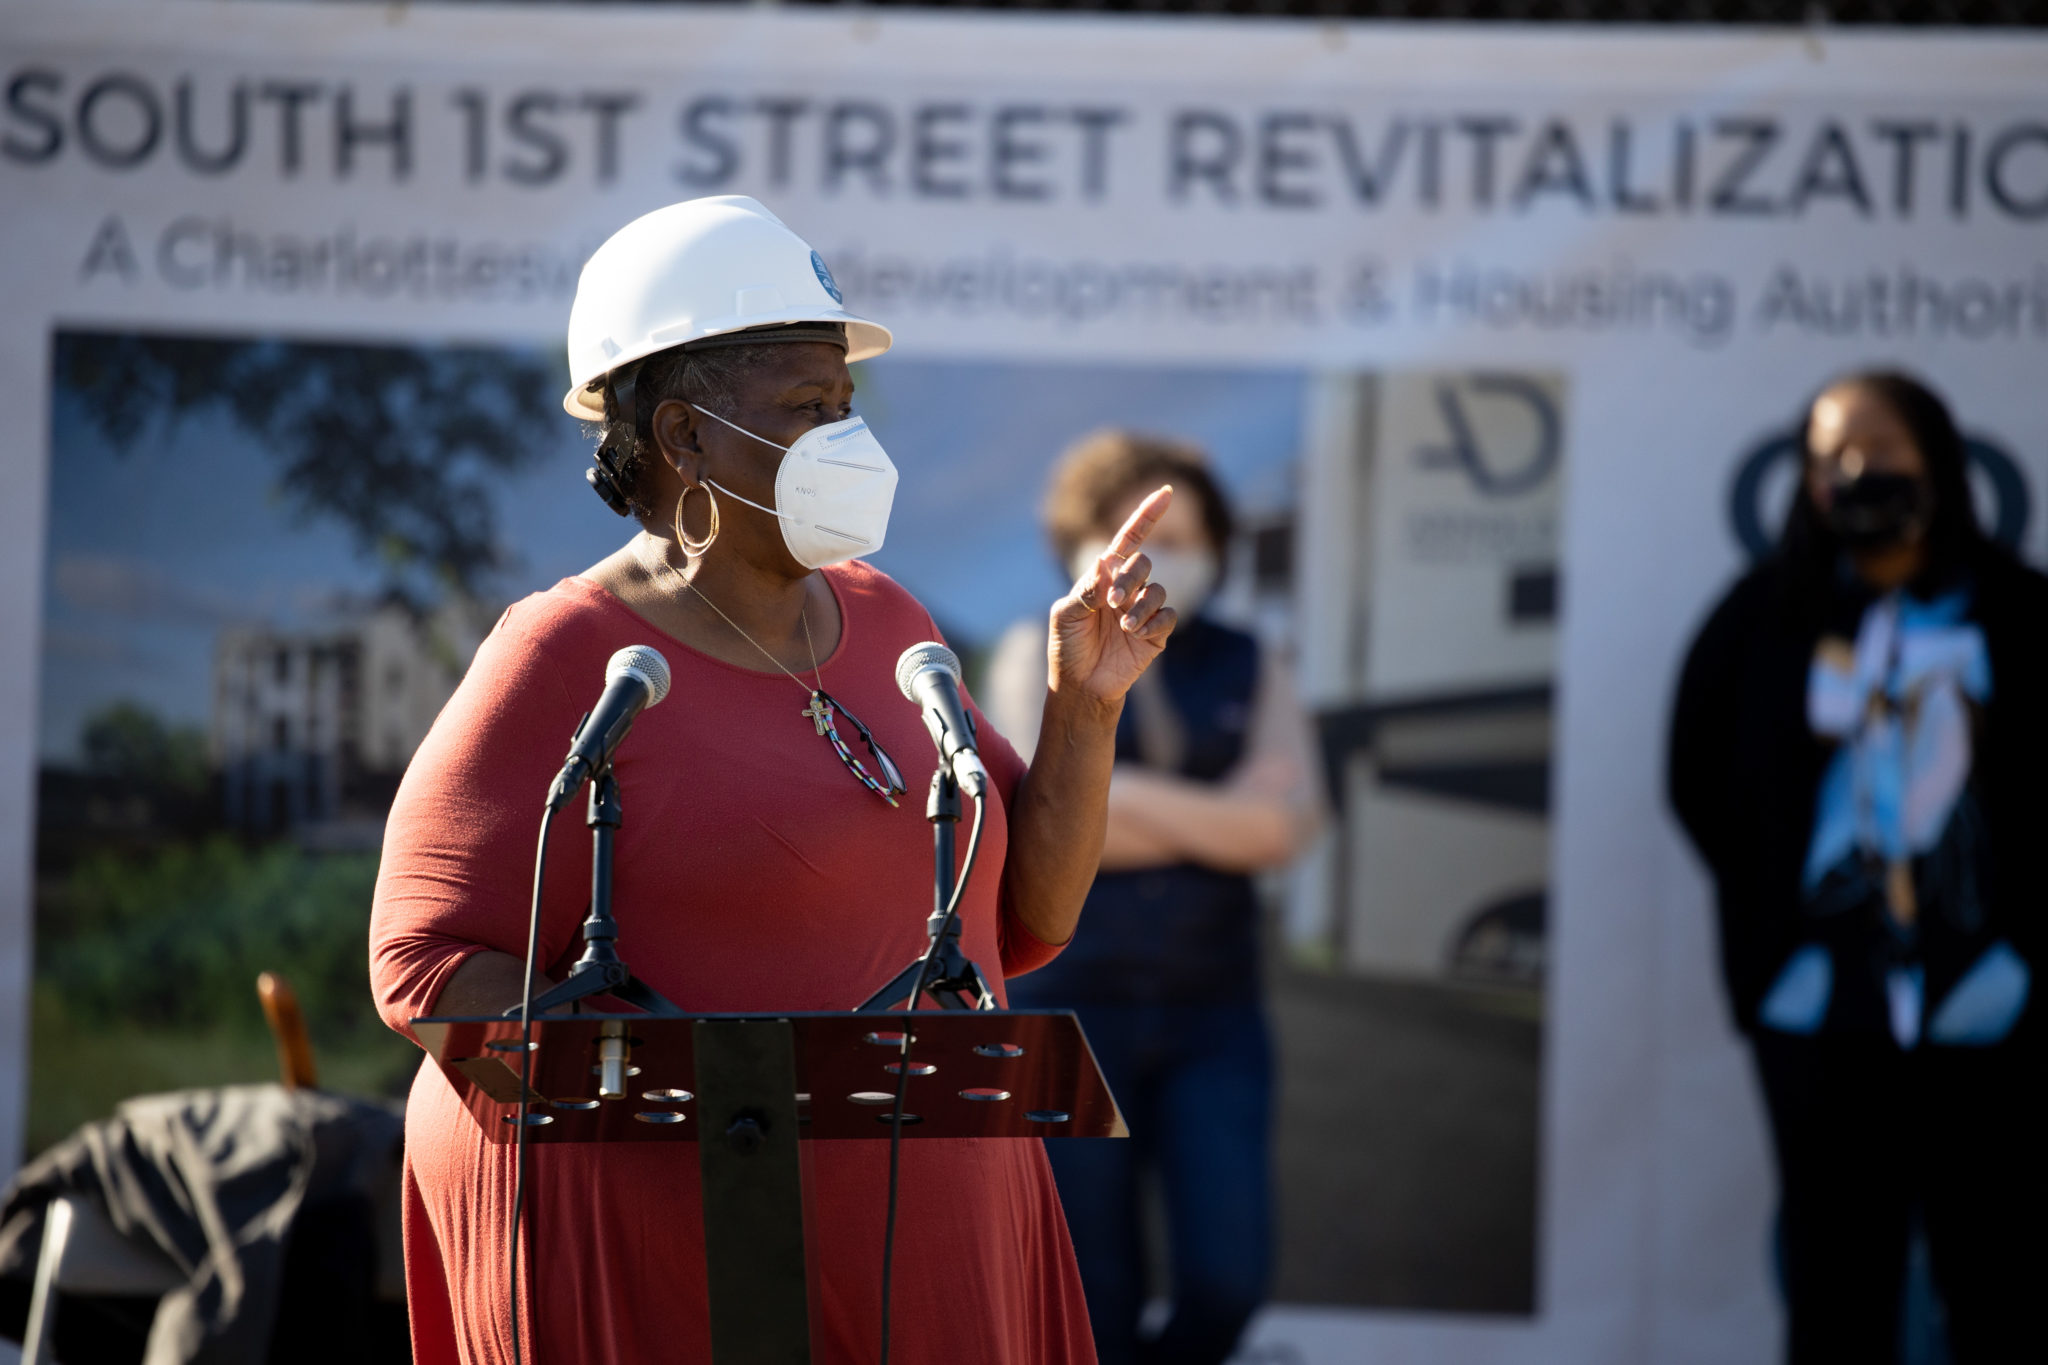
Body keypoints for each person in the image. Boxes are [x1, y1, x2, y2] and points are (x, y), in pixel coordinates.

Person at [368, 196, 1182, 1365]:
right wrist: (714, 1089)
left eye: (845, 405)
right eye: (807, 409)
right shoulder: (563, 654)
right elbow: (422, 963)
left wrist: (1085, 709)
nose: (847, 440)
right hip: (688, 1250)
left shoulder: (888, 616)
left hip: (925, 1225)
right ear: (685, 437)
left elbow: (1029, 917)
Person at [1669, 371, 2047, 1364]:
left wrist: (2019, 950)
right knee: (1835, 1281)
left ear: (1936, 459)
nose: (1857, 470)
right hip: (1816, 1008)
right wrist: (1779, 929)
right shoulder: (1760, 619)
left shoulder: (2018, 613)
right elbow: (1696, 777)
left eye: (1882, 447)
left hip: (1989, 1006)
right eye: (1832, 454)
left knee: (1998, 1277)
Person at [985, 431, 1322, 1365]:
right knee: (1093, 1297)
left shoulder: (1257, 658)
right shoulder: (1032, 651)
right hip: (1070, 1018)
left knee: (1229, 1279)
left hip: (1216, 1014)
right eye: (1135, 531)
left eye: (1191, 533)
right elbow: (1037, 830)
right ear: (1077, 541)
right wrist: (1219, 812)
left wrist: (1115, 799)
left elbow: (1285, 829)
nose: (1165, 554)